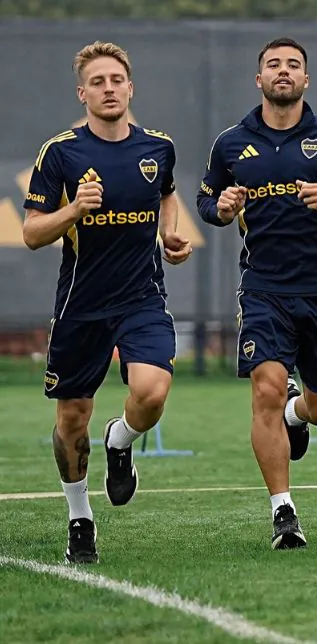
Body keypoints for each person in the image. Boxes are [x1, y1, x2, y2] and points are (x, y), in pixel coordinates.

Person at [23, 42, 193, 564]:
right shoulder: (61, 153)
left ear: (130, 87)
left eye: (116, 79)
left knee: (152, 392)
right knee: (72, 419)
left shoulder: (158, 148)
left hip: (142, 298)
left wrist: (170, 233)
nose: (109, 88)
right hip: (81, 306)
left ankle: (120, 440)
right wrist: (74, 210)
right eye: (97, 82)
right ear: (83, 93)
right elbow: (31, 232)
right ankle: (80, 518)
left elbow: (166, 193)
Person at [197, 37, 317, 548]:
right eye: (273, 64)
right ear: (259, 79)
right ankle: (283, 512)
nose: (283, 71)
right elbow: (207, 199)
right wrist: (221, 209)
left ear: (306, 79)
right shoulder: (231, 143)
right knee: (266, 389)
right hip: (263, 288)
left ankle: (299, 412)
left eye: (293, 65)